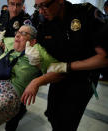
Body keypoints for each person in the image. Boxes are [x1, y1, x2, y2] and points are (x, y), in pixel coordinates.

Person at [22, 0, 108, 131]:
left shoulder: (86, 13)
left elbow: (104, 58)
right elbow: (42, 54)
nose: (40, 11)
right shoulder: (41, 20)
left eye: (44, 5)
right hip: (59, 76)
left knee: (67, 122)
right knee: (52, 114)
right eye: (37, 6)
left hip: (82, 79)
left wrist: (68, 66)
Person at [0, 0, 31, 130]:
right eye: (12, 4)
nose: (14, 9)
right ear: (8, 3)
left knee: (16, 96)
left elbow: (27, 44)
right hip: (2, 54)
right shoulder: (4, 14)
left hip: (18, 61)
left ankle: (12, 123)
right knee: (1, 85)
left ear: (23, 4)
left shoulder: (26, 20)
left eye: (18, 5)